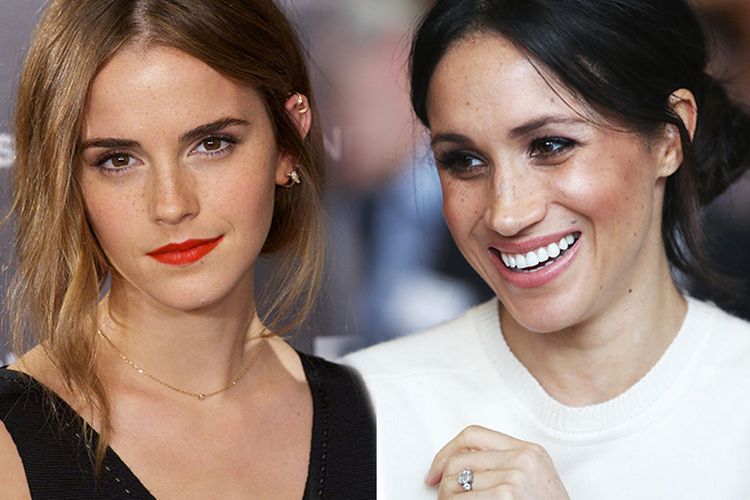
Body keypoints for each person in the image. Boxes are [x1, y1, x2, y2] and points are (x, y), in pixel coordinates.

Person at [343, 0, 750, 498]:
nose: (506, 213)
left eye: (551, 146)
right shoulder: (364, 410)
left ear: (670, 139)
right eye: (464, 160)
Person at [0, 1, 374, 498]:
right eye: (118, 160)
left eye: (212, 144)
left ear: (288, 143)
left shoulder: (376, 414)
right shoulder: (9, 439)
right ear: (69, 182)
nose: (172, 205)